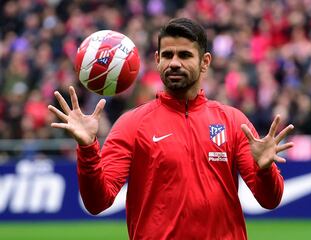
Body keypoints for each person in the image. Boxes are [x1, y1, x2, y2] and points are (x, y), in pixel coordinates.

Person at [48, 18, 294, 240]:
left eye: (185, 55)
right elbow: (97, 202)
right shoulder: (131, 124)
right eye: (167, 55)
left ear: (205, 62)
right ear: (157, 60)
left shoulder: (232, 120)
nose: (174, 63)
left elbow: (269, 200)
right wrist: (87, 148)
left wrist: (264, 171)